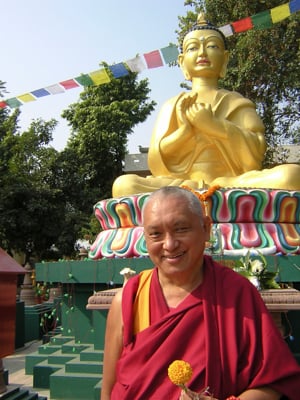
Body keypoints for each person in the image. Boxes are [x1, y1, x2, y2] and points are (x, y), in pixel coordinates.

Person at [100, 186, 300, 399]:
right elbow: (110, 388)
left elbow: (274, 383)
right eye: (156, 234)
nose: (169, 244)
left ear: (206, 228)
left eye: (181, 229)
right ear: (145, 238)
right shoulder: (129, 299)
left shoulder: (236, 293)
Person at [112, 14, 300, 198]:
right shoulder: (172, 105)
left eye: (211, 46)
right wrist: (184, 132)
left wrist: (214, 126)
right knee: (124, 185)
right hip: (180, 186)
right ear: (181, 62)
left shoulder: (236, 102)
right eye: (193, 48)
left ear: (225, 59)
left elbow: (255, 156)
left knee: (290, 176)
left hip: (231, 183)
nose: (202, 53)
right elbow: (157, 164)